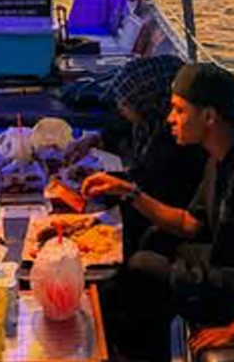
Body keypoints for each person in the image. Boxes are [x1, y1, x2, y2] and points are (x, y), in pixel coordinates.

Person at [83, 62, 234, 362]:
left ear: (208, 116)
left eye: (179, 111)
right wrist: (128, 192)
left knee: (144, 268)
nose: (170, 119)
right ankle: (139, 354)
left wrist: (232, 333)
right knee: (155, 239)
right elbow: (189, 224)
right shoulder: (219, 158)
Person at [66, 56, 206, 254]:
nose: (120, 107)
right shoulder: (149, 122)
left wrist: (105, 184)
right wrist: (94, 139)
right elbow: (123, 128)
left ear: (146, 101)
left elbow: (148, 188)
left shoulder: (176, 142)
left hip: (162, 221)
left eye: (125, 102)